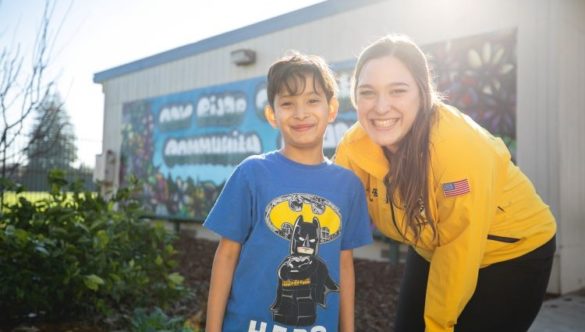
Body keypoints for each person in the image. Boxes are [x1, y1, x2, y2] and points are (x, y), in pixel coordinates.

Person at [334, 35, 557, 332]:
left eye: (398, 91)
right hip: (433, 243)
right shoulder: (355, 146)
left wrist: (438, 325)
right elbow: (329, 217)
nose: (381, 107)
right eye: (367, 92)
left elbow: (459, 247)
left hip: (513, 252)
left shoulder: (457, 146)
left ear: (422, 93)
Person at [204, 52, 373, 332]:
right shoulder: (252, 173)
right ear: (272, 114)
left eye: (312, 100)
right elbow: (226, 256)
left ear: (331, 109)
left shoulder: (348, 185)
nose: (301, 113)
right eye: (287, 103)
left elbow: (344, 266)